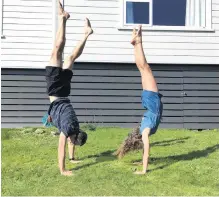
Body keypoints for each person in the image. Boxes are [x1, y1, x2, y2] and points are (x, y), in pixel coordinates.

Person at [43, 1, 93, 176]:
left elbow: (71, 140)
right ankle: (63, 18)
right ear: (74, 136)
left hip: (64, 93)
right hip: (56, 91)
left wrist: (73, 159)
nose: (71, 142)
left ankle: (86, 34)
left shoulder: (75, 127)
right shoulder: (69, 131)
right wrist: (63, 169)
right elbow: (61, 147)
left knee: (70, 57)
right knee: (57, 51)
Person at [127, 25, 163, 175]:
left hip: (152, 100)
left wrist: (143, 170)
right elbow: (146, 150)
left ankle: (138, 42)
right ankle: (136, 43)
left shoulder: (146, 131)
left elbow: (147, 150)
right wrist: (142, 164)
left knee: (144, 68)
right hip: (150, 101)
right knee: (143, 68)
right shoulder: (145, 130)